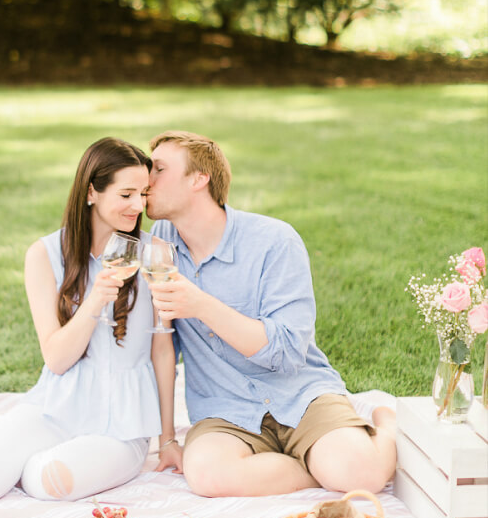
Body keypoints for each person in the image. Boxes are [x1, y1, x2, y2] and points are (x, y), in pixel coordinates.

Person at [146, 130, 397, 497]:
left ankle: (384, 426)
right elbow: (161, 343)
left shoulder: (273, 241)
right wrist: (167, 438)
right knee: (205, 475)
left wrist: (200, 305)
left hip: (300, 394)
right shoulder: (160, 244)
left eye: (159, 169)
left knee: (364, 476)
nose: (145, 179)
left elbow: (287, 352)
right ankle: (321, 466)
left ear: (199, 179)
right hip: (224, 410)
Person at [0, 137, 178, 501]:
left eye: (143, 194)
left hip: (121, 425)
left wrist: (168, 440)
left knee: (49, 480)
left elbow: (163, 352)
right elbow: (56, 358)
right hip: (57, 408)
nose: (138, 206)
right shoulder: (44, 255)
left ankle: (18, 459)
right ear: (91, 193)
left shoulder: (155, 253)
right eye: (126, 195)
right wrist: (96, 298)